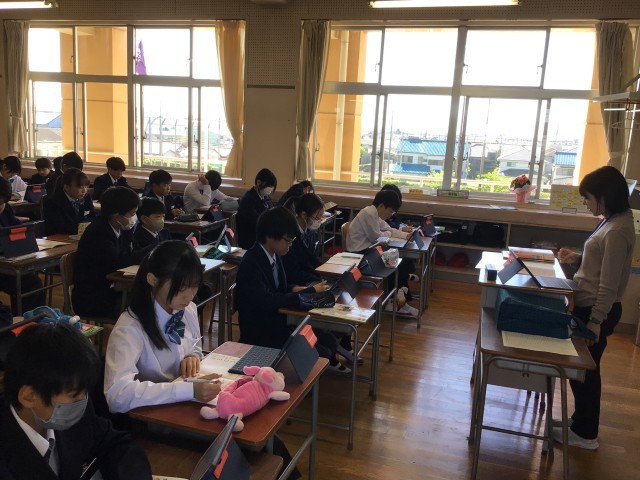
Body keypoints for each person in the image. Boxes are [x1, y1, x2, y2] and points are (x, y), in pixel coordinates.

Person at [0, 322, 152, 479]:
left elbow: (116, 444)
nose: (83, 400)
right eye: (74, 394)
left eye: (85, 392)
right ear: (29, 396)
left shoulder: (74, 410)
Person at [554, 166, 635, 450]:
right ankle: (579, 422)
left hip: (596, 311)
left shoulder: (617, 229)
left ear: (603, 196)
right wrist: (578, 258)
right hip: (590, 306)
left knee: (585, 372)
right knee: (582, 370)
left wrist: (596, 321)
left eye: (587, 197)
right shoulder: (612, 220)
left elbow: (609, 283)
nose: (585, 203)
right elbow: (602, 264)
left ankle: (586, 434)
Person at [104, 240, 221, 413]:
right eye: (181, 287)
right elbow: (117, 396)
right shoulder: (129, 328)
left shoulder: (187, 309)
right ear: (152, 280)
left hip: (182, 405)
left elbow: (195, 345)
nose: (190, 295)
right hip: (152, 414)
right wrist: (187, 390)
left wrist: (192, 356)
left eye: (195, 285)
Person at [235, 206, 328, 348]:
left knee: (327, 339)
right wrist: (309, 291)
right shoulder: (251, 263)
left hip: (278, 321)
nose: (290, 245)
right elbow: (268, 300)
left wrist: (295, 288)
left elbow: (279, 289)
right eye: (287, 240)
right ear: (269, 236)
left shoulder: (275, 255)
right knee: (320, 347)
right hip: (262, 331)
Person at [281, 194, 351, 374]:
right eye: (317, 216)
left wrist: (324, 272)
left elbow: (311, 260)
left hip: (307, 278)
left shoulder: (308, 232)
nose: (320, 220)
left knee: (341, 295)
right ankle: (329, 347)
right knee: (330, 300)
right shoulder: (291, 236)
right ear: (304, 214)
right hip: (297, 282)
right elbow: (294, 270)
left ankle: (339, 343)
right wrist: (318, 279)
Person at [72, 186, 152, 318]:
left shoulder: (123, 228)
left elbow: (134, 251)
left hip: (112, 289)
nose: (134, 218)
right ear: (116, 216)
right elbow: (118, 262)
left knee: (150, 296)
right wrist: (150, 249)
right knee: (146, 303)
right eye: (132, 214)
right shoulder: (98, 232)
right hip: (93, 298)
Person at [345, 189, 418, 316]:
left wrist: (405, 235)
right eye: (390, 211)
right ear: (382, 206)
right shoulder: (369, 214)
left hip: (368, 252)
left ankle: (396, 301)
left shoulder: (374, 213)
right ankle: (397, 302)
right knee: (395, 265)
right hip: (359, 256)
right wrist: (388, 233)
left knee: (397, 263)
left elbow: (388, 229)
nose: (391, 215)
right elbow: (377, 237)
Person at [0, 178, 45, 314]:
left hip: (9, 261)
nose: (0, 206)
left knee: (33, 283)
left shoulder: (6, 209)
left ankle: (30, 320)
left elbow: (17, 228)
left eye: (2, 202)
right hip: (4, 266)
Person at [43, 167, 95, 235]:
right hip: (61, 237)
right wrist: (81, 228)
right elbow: (58, 227)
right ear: (66, 187)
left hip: (82, 235)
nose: (84, 191)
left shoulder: (86, 197)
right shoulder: (53, 202)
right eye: (80, 187)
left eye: (86, 187)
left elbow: (92, 216)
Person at [236, 168, 277, 249]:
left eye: (272, 186)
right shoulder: (248, 199)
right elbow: (256, 220)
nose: (270, 189)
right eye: (269, 186)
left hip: (262, 235)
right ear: (259, 182)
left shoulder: (265, 197)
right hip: (250, 238)